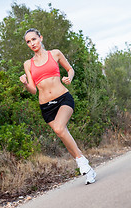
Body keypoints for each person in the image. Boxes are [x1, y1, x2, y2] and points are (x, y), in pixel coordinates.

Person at [20, 28, 96, 185]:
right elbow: (33, 90)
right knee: (64, 138)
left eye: (34, 39)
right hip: (46, 107)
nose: (32, 43)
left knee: (59, 129)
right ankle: (88, 169)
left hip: (63, 98)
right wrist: (26, 84)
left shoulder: (55, 54)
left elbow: (70, 69)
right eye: (28, 42)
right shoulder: (28, 64)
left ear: (40, 38)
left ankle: (82, 162)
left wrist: (69, 77)